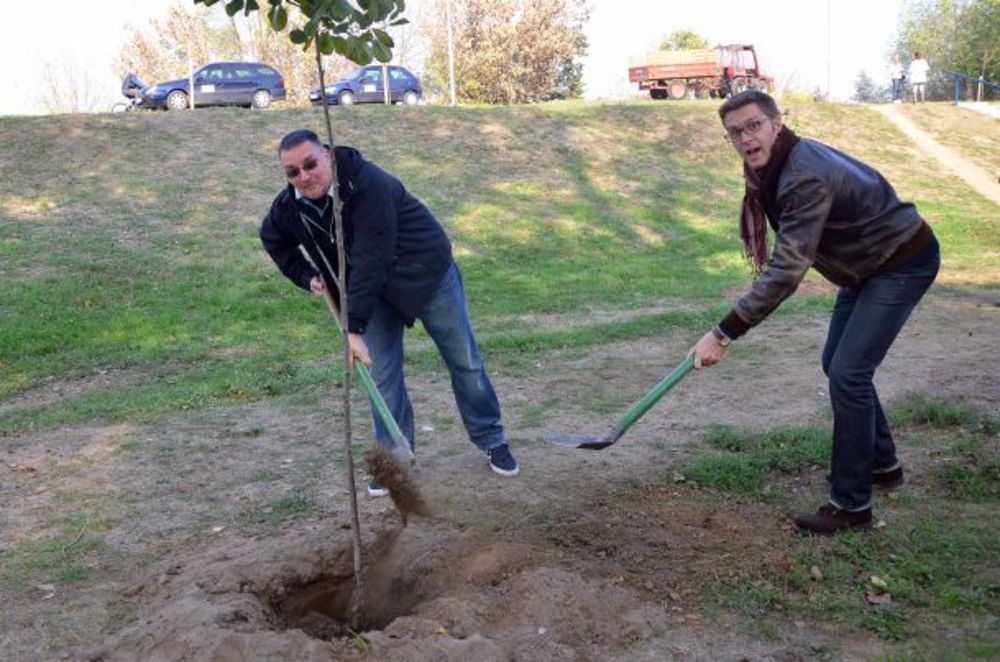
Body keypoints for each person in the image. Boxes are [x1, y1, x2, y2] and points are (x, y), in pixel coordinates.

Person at [691, 91, 939, 535]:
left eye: (753, 126)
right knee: (838, 366)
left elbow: (787, 270)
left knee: (849, 374)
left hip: (900, 260)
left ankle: (851, 506)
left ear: (776, 123)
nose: (746, 138)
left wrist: (723, 333)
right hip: (865, 267)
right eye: (735, 132)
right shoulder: (775, 168)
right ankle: (882, 466)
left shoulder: (802, 176)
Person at [259, 129, 519, 496]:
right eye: (292, 172)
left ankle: (492, 438)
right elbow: (272, 238)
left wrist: (353, 328)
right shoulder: (290, 207)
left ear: (328, 156)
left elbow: (372, 257)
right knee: (382, 377)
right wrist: (306, 275)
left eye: (310, 164)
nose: (304, 177)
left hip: (426, 276)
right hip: (371, 292)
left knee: (464, 360)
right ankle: (396, 458)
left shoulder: (369, 185)